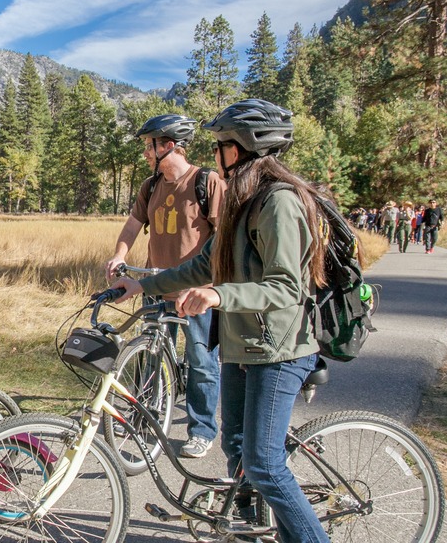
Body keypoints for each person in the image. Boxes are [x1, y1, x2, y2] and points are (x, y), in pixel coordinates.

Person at [111, 99, 330, 543]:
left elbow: (288, 287)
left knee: (266, 465)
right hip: (241, 344)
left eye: (221, 145)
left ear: (243, 149)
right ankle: (251, 527)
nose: (214, 154)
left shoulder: (280, 203)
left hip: (279, 350)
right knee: (236, 449)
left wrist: (217, 294)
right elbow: (202, 265)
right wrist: (143, 287)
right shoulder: (242, 202)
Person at [104, 113, 226, 459]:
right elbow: (132, 226)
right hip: (157, 286)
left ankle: (201, 429)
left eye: (149, 145)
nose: (145, 152)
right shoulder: (151, 186)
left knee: (201, 359)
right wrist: (118, 254)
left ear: (168, 146)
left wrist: (214, 283)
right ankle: (149, 417)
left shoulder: (207, 182)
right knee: (151, 355)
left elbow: (225, 236)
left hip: (197, 291)